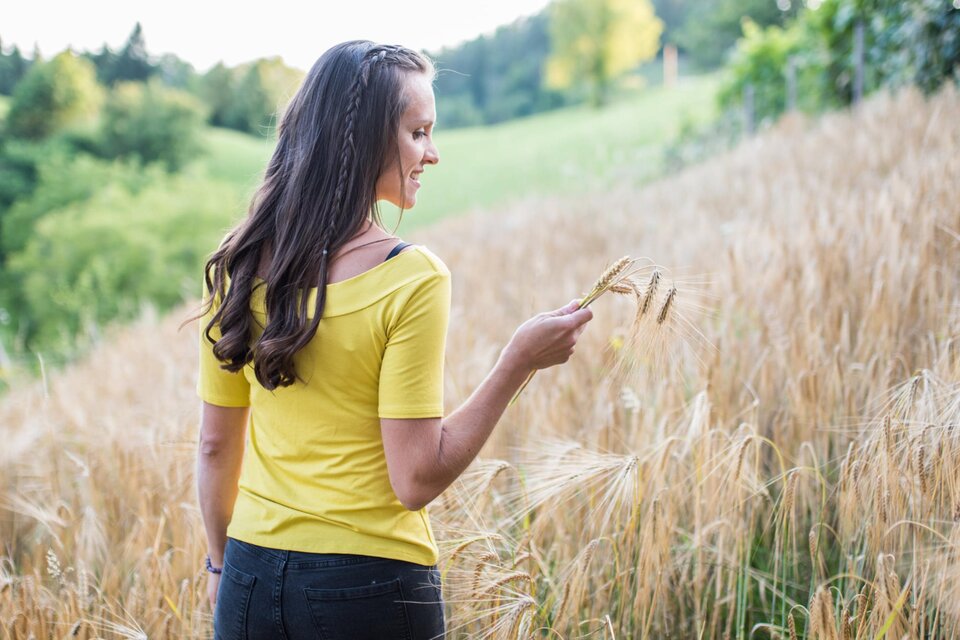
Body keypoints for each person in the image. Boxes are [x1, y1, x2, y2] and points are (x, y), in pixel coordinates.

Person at [195, 40, 593, 640]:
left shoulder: (239, 265)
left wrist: (220, 562)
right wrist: (519, 362)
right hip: (368, 588)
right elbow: (417, 479)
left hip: (248, 575)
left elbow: (214, 447)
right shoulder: (412, 278)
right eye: (418, 132)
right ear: (364, 141)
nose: (432, 154)